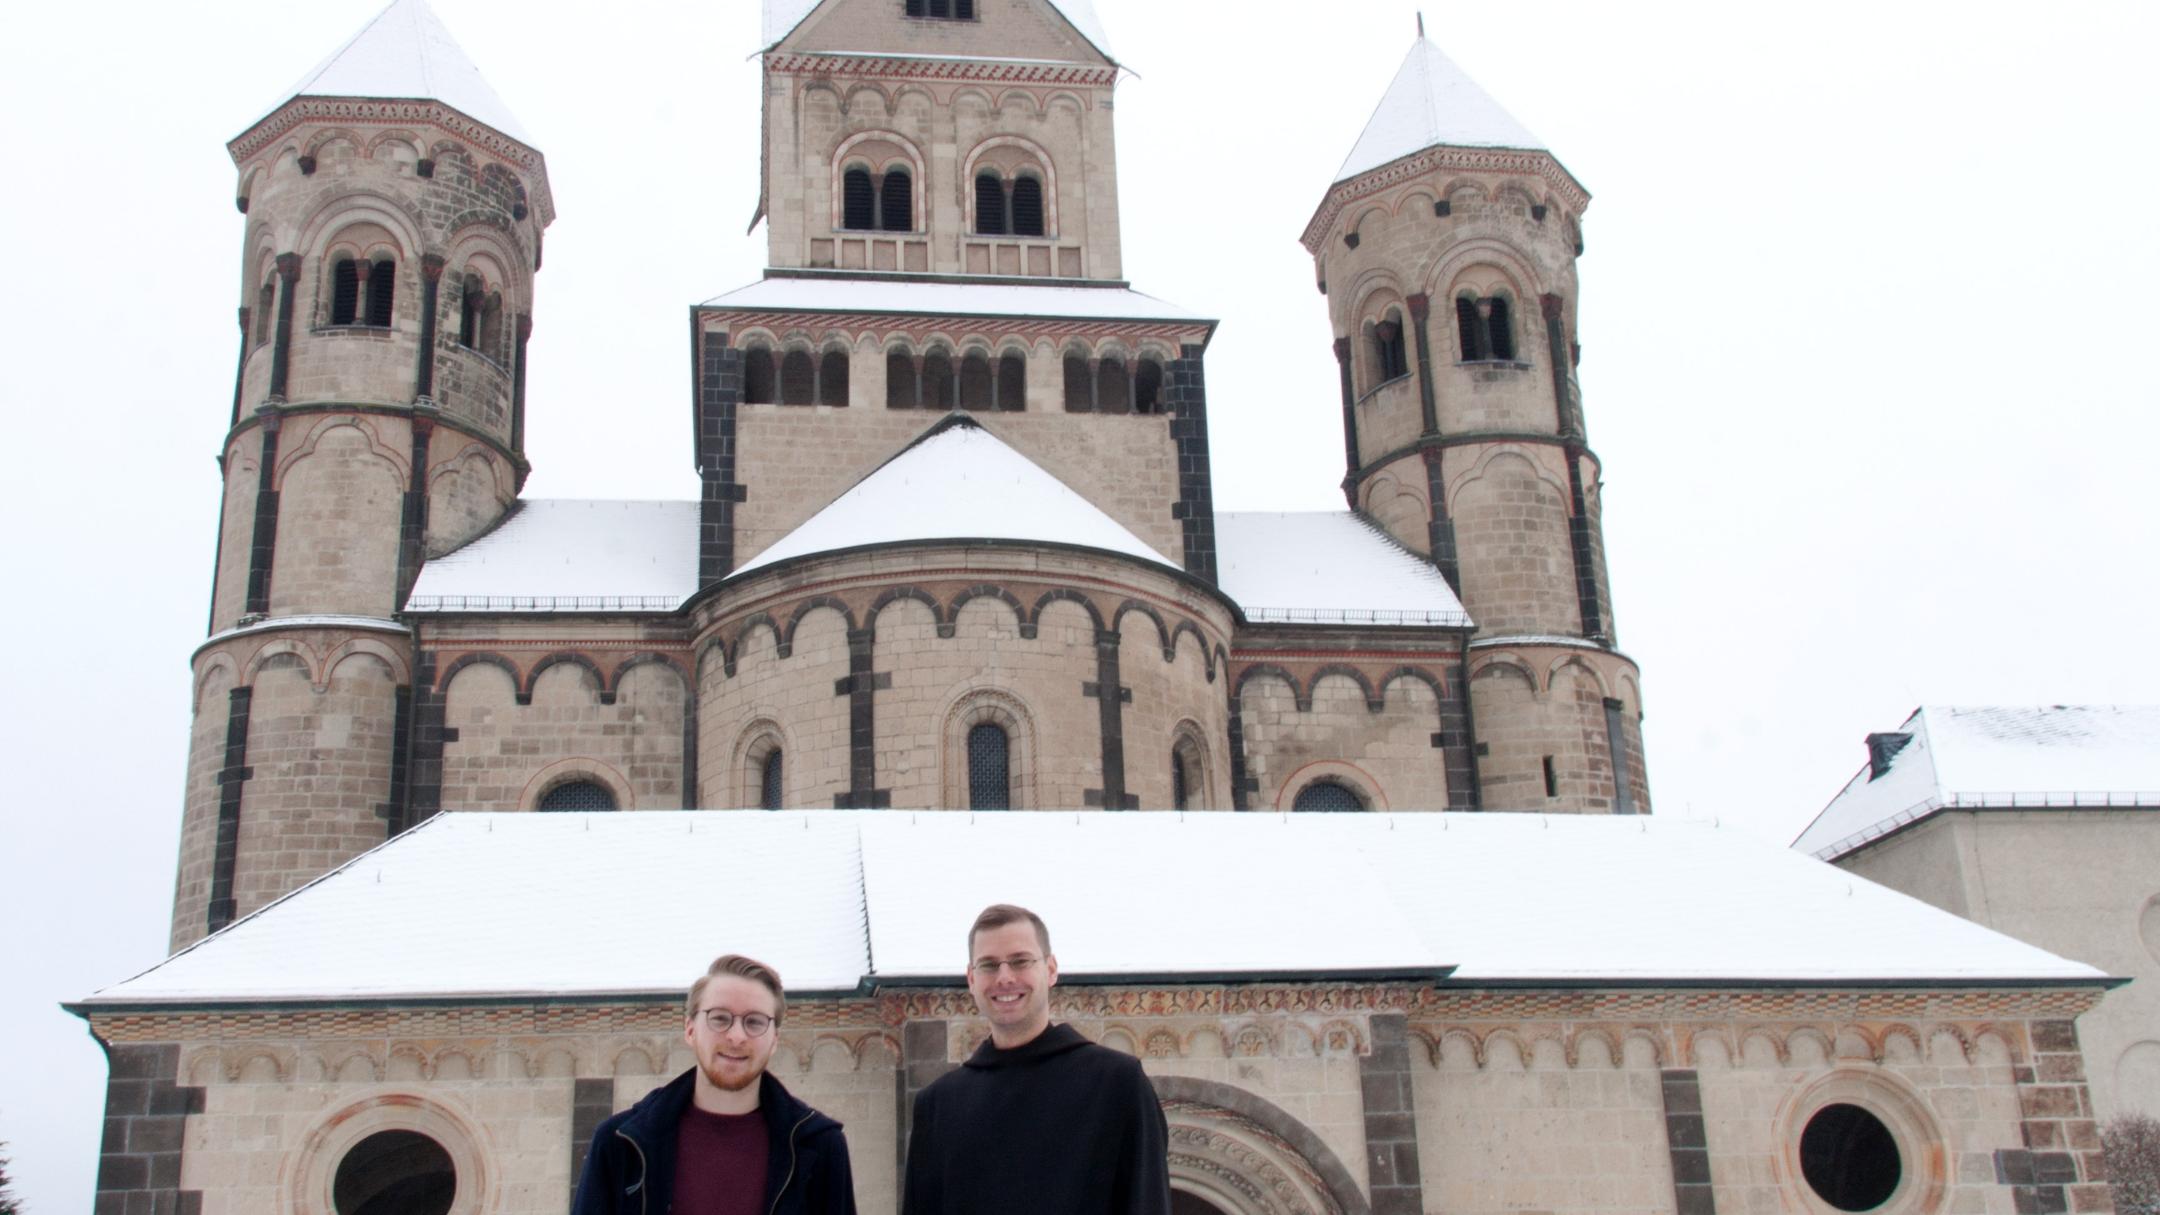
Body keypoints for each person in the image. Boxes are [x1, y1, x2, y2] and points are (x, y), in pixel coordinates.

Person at [902, 904, 1171, 1215]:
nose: (1005, 977)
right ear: (971, 979)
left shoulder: (1117, 1085)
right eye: (989, 965)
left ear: (1051, 969)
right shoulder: (938, 1107)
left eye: (1020, 961)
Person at [573, 954, 857, 1215]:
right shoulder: (620, 1144)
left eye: (754, 1022)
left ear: (774, 1041)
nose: (736, 1036)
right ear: (690, 1030)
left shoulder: (820, 1147)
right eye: (720, 1018)